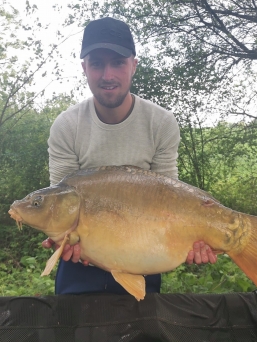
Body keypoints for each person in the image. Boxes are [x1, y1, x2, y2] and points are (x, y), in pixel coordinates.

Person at [43, 17, 217, 295]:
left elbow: (171, 199)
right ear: (84, 68)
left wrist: (197, 237)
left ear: (134, 65)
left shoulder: (160, 122)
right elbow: (59, 204)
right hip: (80, 263)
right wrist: (62, 238)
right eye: (97, 63)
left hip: (143, 251)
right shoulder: (67, 126)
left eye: (118, 63)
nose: (107, 75)